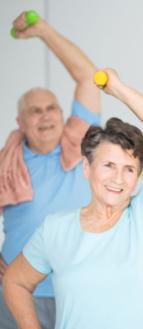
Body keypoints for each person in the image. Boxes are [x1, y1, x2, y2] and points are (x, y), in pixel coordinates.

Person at [2, 69, 143, 329]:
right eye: (109, 165)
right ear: (87, 168)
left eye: (129, 169)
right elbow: (15, 281)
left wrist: (120, 90)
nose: (118, 178)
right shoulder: (56, 228)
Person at [0, 11, 101, 328]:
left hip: (80, 285)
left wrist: (43, 30)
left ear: (62, 113)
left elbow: (87, 75)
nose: (45, 117)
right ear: (20, 122)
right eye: (34, 111)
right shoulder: (6, 163)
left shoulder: (83, 144)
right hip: (21, 290)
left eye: (51, 108)